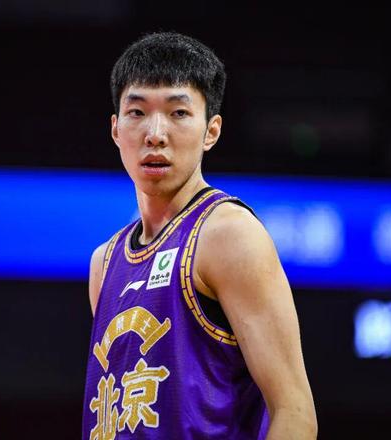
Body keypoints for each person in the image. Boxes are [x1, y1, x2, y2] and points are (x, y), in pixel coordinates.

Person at [82, 31, 317, 439]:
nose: (155, 133)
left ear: (211, 130)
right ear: (116, 129)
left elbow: (295, 413)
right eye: (137, 112)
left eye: (178, 112)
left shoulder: (228, 234)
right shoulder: (105, 261)